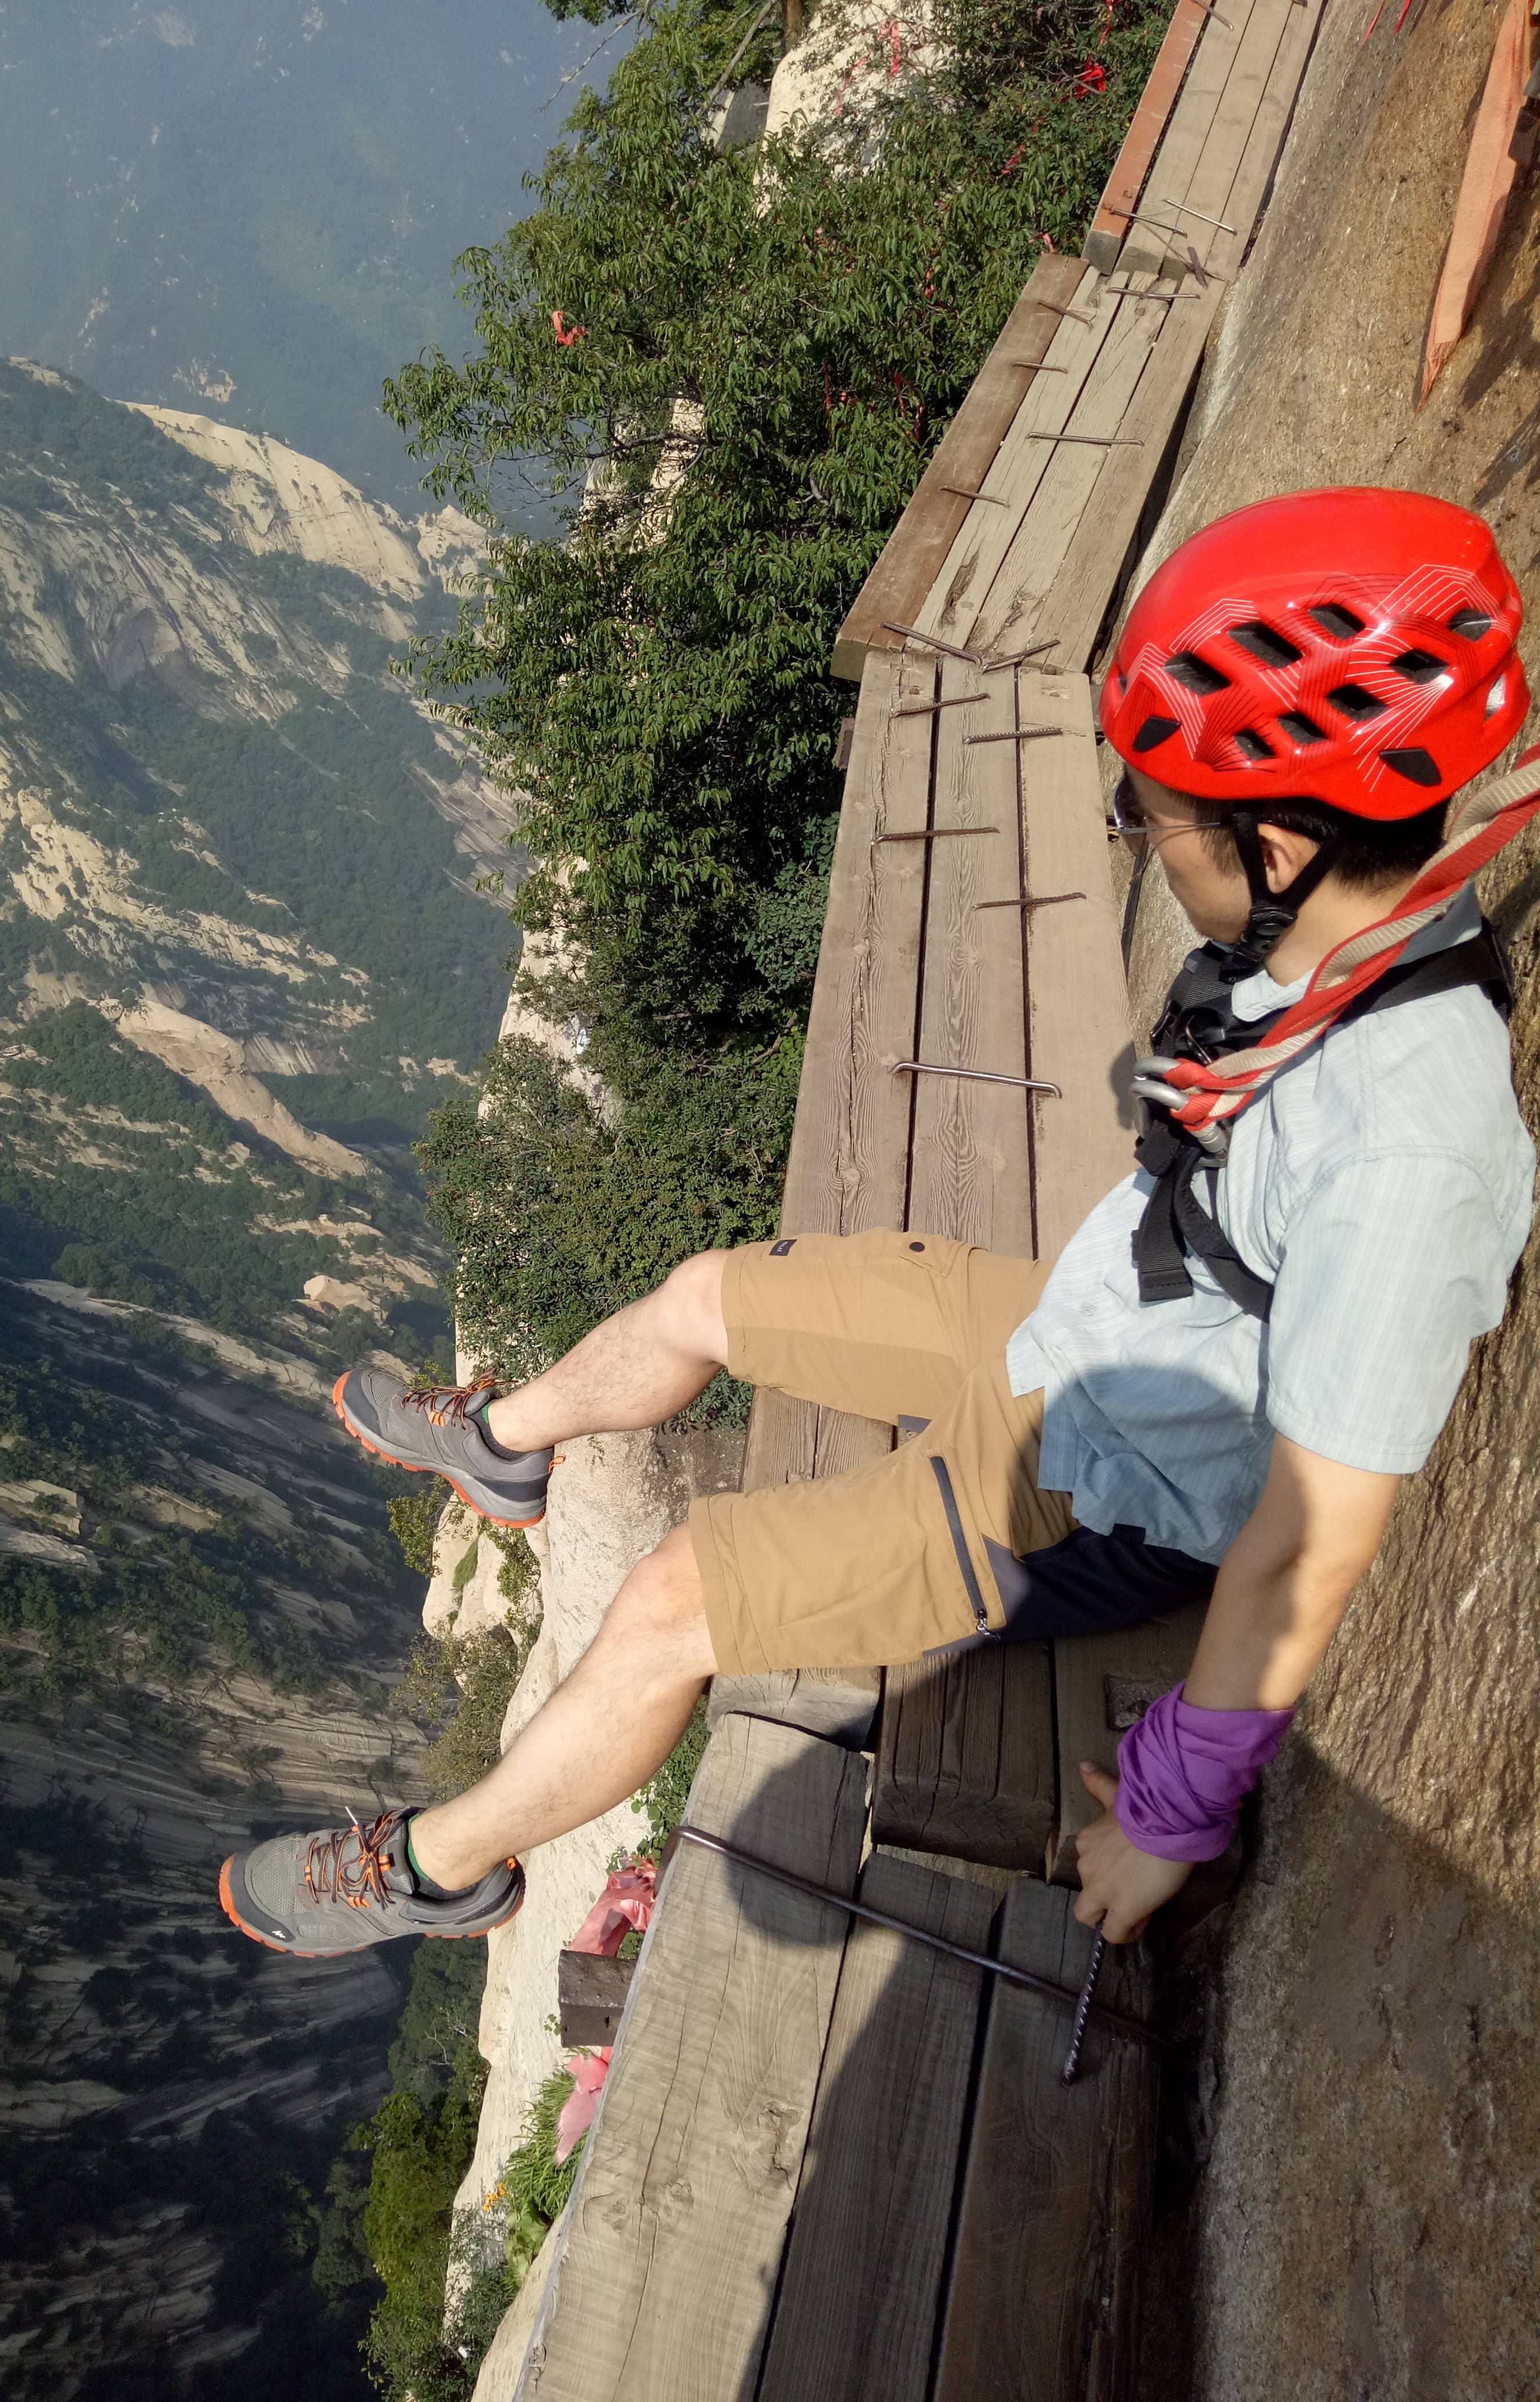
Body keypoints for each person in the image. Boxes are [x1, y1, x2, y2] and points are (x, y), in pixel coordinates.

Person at [219, 487, 1538, 1962]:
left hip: (1106, 1481)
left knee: (672, 1603)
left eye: (1152, 815)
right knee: (707, 1294)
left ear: (1283, 838)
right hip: (1092, 1318)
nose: (1143, 843)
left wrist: (1170, 1809)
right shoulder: (1362, 909)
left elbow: (1312, 1539)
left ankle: (435, 1867)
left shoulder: (1415, 1147)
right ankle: (503, 1444)